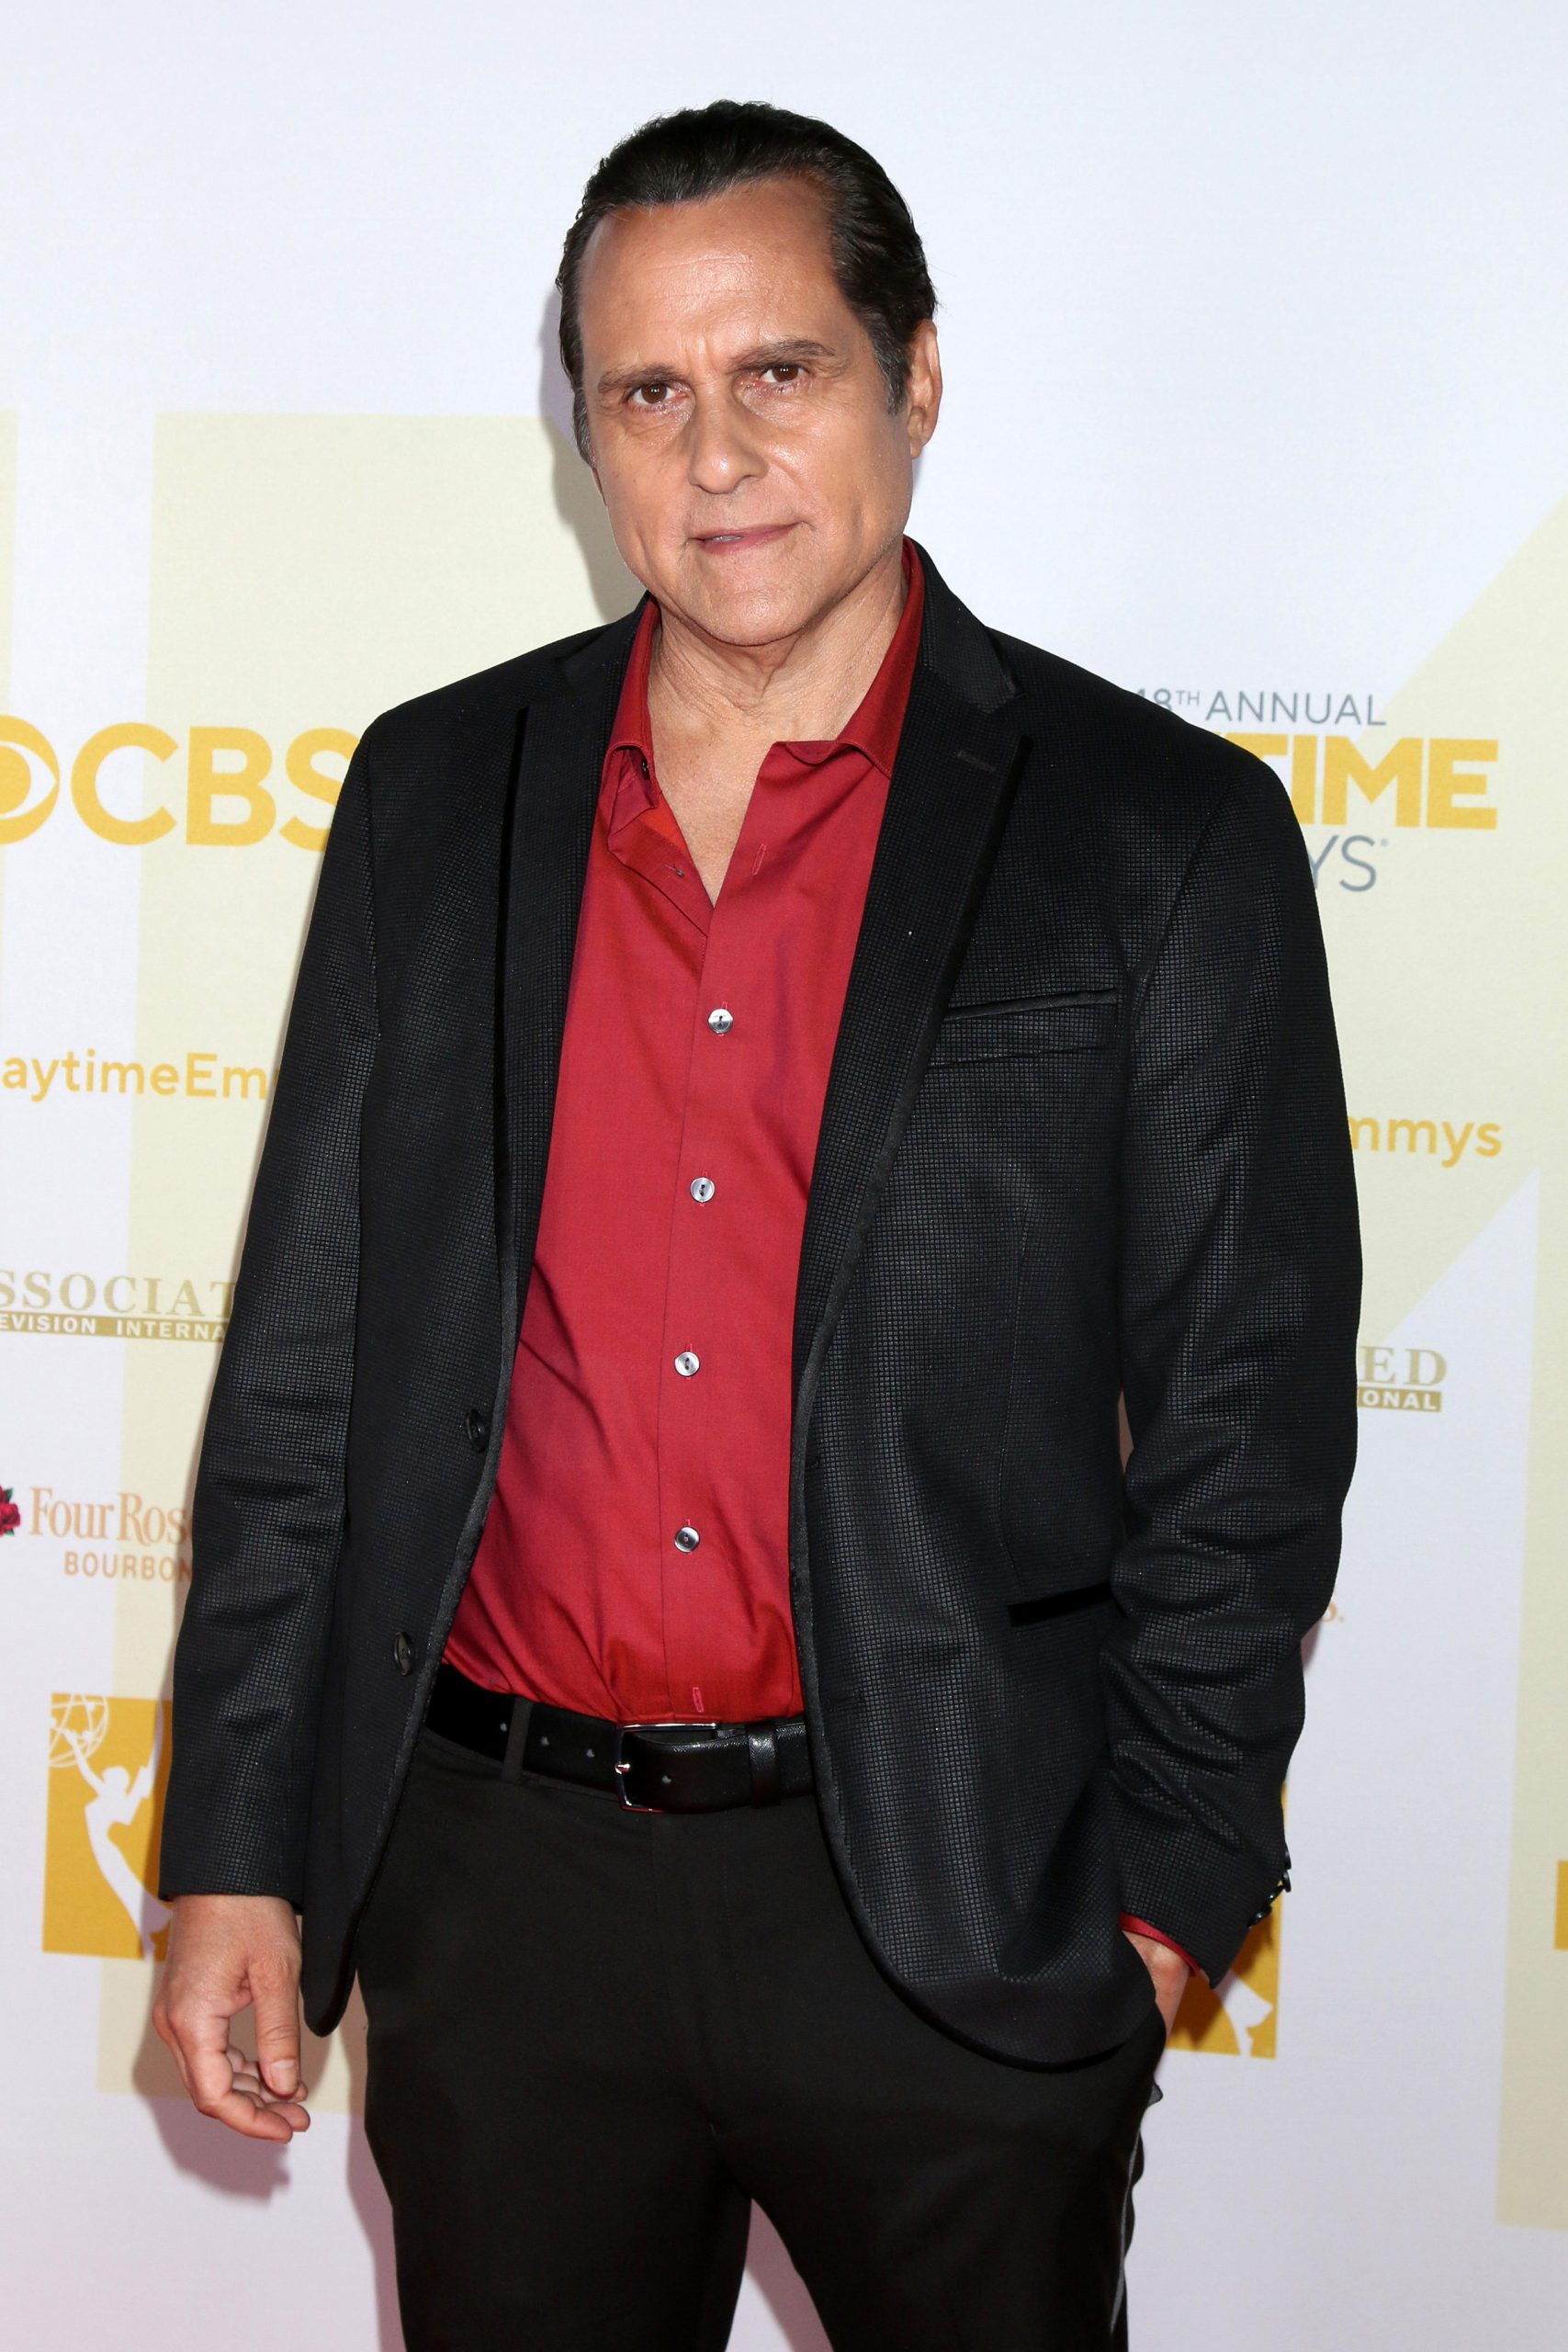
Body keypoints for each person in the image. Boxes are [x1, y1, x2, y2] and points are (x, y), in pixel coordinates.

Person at [154, 98, 1360, 2350]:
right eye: (646, 392)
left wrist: (1157, 1901)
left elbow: (1246, 1425)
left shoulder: (1158, 836)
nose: (714, 454)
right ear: (587, 437)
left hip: (949, 1895)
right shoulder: (436, 791)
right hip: (502, 1893)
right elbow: (309, 1364)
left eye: (777, 371)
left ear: (916, 375)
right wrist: (238, 1839)